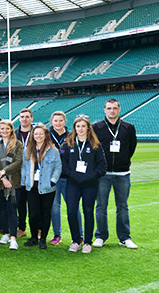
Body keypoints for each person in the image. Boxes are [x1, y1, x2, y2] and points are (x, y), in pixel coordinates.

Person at [93, 98, 138, 249]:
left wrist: (122, 160)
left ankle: (124, 237)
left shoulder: (128, 127)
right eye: (109, 108)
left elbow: (131, 147)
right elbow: (93, 148)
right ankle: (101, 236)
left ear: (119, 109)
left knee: (123, 206)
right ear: (104, 110)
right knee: (101, 206)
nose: (112, 111)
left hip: (123, 173)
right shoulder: (96, 127)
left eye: (114, 108)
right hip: (103, 174)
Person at [61, 116, 107, 254]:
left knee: (88, 211)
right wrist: (73, 175)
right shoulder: (67, 144)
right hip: (73, 184)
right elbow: (63, 165)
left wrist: (90, 176)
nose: (80, 129)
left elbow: (102, 166)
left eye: (83, 126)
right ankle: (76, 241)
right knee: (71, 212)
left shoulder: (95, 144)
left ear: (88, 128)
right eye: (77, 126)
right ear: (74, 128)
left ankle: (87, 242)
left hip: (90, 184)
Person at [21, 124, 61, 250]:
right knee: (33, 214)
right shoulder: (27, 150)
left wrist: (52, 181)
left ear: (45, 135)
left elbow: (58, 167)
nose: (38, 136)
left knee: (45, 214)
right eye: (36, 134)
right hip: (32, 186)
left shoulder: (53, 150)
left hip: (47, 187)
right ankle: (33, 237)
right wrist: (24, 181)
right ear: (32, 135)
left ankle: (43, 238)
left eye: (41, 134)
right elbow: (24, 167)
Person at [48, 111, 82, 246]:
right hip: (52, 178)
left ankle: (79, 234)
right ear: (52, 122)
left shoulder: (72, 135)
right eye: (55, 121)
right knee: (54, 207)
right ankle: (57, 234)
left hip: (69, 177)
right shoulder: (46, 135)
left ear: (65, 121)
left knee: (73, 207)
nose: (58, 123)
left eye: (61, 120)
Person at [0, 120, 23, 250]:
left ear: (11, 129)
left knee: (12, 209)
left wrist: (4, 172)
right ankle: (5, 233)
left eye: (7, 128)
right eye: (2, 128)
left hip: (13, 182)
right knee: (1, 208)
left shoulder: (18, 144)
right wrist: (3, 178)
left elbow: (19, 162)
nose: (4, 131)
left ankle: (13, 238)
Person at [15, 108, 34, 239]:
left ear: (31, 118)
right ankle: (22, 228)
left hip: (34, 172)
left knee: (34, 203)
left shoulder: (37, 133)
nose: (24, 119)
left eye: (27, 117)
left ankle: (37, 229)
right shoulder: (15, 133)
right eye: (22, 117)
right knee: (20, 203)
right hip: (18, 173)